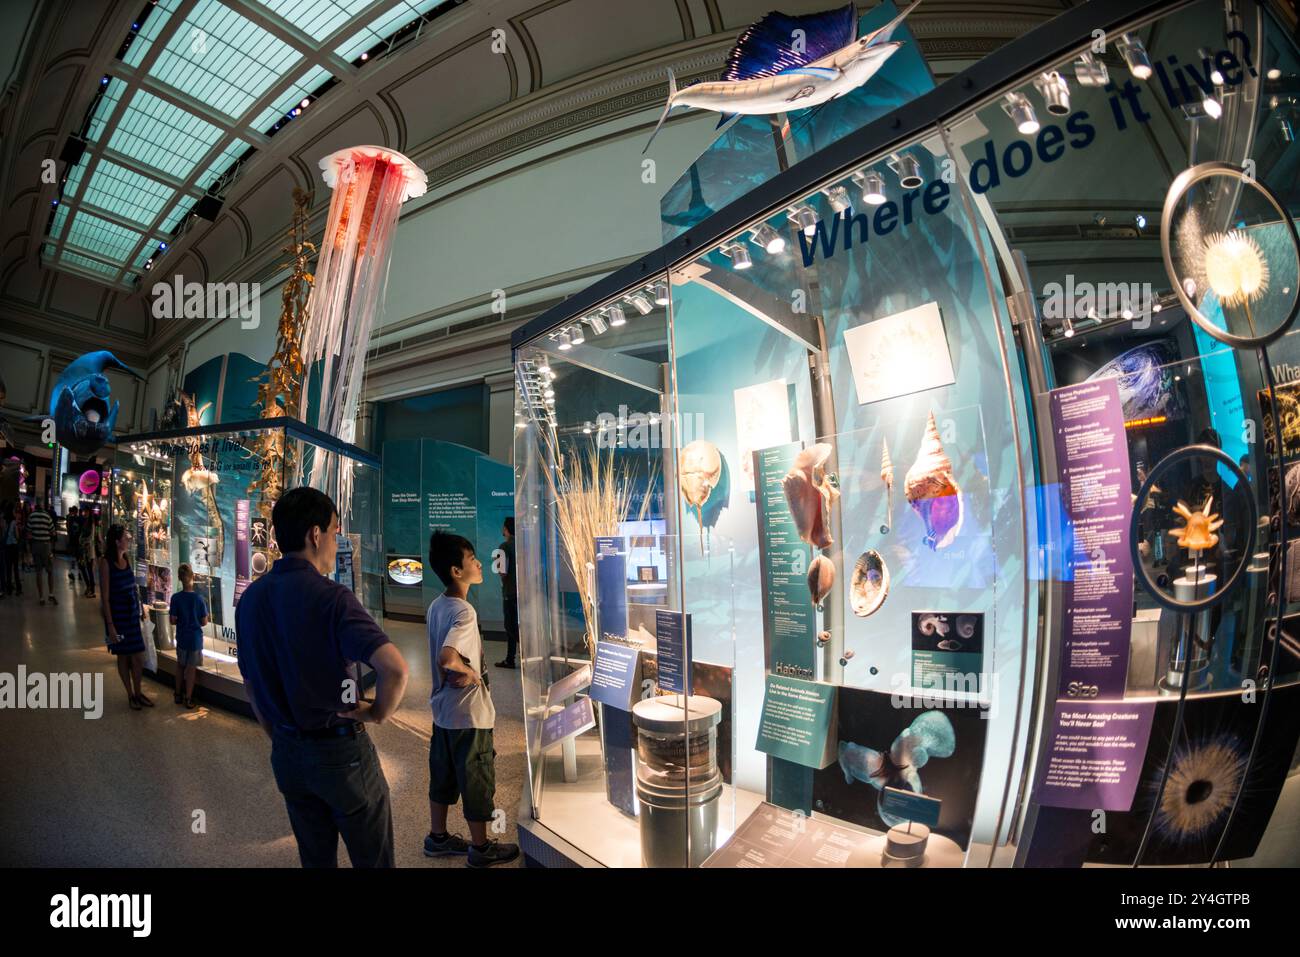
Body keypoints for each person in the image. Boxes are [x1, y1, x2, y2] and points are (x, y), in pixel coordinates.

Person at [235, 487, 409, 869]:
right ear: (316, 534)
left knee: (315, 858)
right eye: (334, 531)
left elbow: (251, 683)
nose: (336, 541)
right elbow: (394, 667)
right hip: (341, 755)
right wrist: (378, 712)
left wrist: (281, 734)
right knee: (373, 857)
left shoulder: (249, 600)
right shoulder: (332, 598)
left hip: (288, 753)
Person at [424, 530, 519, 867]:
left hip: (443, 714)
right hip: (469, 716)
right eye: (472, 559)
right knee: (477, 781)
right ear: (456, 571)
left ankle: (437, 837)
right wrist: (472, 675)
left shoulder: (437, 605)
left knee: (443, 776)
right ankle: (480, 848)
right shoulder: (464, 612)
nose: (480, 563)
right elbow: (447, 658)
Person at [100, 523, 152, 710]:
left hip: (131, 615)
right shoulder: (106, 563)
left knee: (137, 656)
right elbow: (105, 598)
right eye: (126, 538)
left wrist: (141, 609)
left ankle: (138, 692)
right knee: (123, 656)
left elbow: (133, 588)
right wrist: (110, 625)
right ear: (116, 541)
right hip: (118, 617)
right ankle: (130, 694)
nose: (128, 541)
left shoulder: (127, 559)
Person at [169, 563, 209, 708]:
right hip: (195, 639)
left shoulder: (175, 598)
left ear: (179, 578)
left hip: (182, 637)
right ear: (192, 577)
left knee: (180, 666)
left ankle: (177, 694)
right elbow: (204, 622)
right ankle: (188, 698)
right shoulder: (199, 599)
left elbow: (172, 620)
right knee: (191, 669)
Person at [496, 517, 518, 669]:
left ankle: (517, 657)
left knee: (510, 626)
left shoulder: (504, 546)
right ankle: (510, 659)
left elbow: (502, 572)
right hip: (523, 592)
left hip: (510, 592)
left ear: (506, 529)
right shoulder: (522, 545)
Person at [27, 501, 55, 605]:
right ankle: (51, 594)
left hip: (35, 546)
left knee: (38, 572)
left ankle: (41, 597)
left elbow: (28, 533)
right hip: (45, 546)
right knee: (50, 570)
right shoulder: (47, 516)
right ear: (43, 506)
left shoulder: (31, 516)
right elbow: (53, 532)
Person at [0, 504, 20, 597]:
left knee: (8, 569)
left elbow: (3, 534)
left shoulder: (4, 522)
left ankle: (9, 589)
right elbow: (17, 535)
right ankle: (18, 588)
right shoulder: (13, 522)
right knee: (15, 568)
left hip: (6, 547)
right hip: (14, 547)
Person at [80, 512, 101, 598]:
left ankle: (89, 587)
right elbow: (98, 538)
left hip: (84, 550)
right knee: (90, 570)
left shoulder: (86, 526)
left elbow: (81, 537)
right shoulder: (96, 527)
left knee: (85, 569)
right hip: (91, 551)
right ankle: (91, 589)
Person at [65, 506, 82, 584]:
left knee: (73, 557)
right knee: (78, 558)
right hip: (77, 541)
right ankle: (79, 573)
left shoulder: (70, 519)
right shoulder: (79, 519)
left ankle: (72, 572)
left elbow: (68, 529)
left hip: (72, 541)